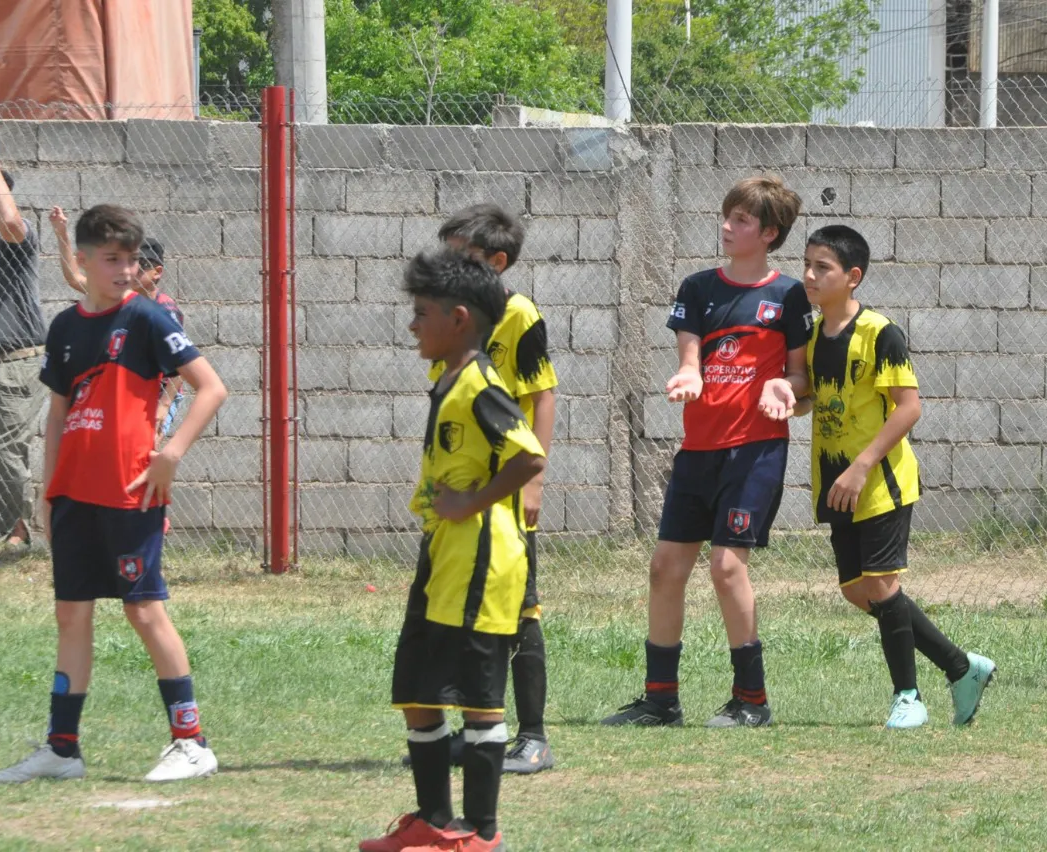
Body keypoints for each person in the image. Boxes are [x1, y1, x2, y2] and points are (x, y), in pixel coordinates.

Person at [0, 204, 228, 783]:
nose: (125, 270)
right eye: (113, 260)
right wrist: (48, 489)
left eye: (131, 260)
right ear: (85, 260)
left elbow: (211, 387)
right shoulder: (66, 327)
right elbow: (57, 412)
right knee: (71, 616)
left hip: (131, 494)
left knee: (144, 611)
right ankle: (62, 749)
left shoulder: (148, 319)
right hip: (74, 495)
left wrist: (170, 455)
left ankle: (192, 742)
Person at [759, 224, 996, 729]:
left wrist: (863, 465)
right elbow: (814, 401)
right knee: (856, 590)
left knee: (883, 584)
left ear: (853, 277)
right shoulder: (811, 335)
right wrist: (789, 400)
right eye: (807, 264)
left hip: (879, 480)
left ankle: (908, 697)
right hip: (833, 479)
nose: (809, 275)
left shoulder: (880, 333)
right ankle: (961, 666)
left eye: (822, 267)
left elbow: (908, 408)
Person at [601, 175, 812, 729]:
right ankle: (660, 700)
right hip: (698, 451)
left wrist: (784, 387)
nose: (727, 226)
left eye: (741, 220)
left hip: (755, 451)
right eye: (726, 216)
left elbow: (801, 377)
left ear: (769, 232)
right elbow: (690, 359)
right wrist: (688, 379)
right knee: (666, 566)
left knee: (725, 567)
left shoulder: (788, 296)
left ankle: (752, 700)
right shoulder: (697, 288)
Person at [360, 247, 545, 852]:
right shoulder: (448, 380)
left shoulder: (481, 385)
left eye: (422, 311)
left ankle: (481, 835)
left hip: (482, 563)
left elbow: (529, 454)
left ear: (458, 317)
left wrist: (472, 503)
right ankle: (435, 824)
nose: (413, 323)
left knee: (478, 699)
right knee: (417, 690)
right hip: (442, 556)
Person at [423, 203, 559, 775]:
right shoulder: (455, 320)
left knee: (520, 610)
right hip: (459, 491)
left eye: (462, 258)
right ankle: (476, 728)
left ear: (496, 263)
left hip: (505, 489)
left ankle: (533, 737)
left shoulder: (518, 314)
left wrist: (536, 482)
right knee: (461, 607)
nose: (447, 268)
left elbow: (542, 395)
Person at [50, 209, 184, 438]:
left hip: (160, 390)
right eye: (128, 262)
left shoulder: (165, 309)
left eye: (140, 266)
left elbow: (180, 366)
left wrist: (163, 406)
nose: (130, 271)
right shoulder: (116, 295)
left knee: (148, 445)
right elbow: (74, 277)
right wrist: (61, 233)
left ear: (156, 272)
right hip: (127, 387)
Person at [0, 138, 48, 550]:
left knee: (5, 449)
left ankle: (14, 530)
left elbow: (10, 220)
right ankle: (12, 528)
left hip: (16, 361)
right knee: (4, 449)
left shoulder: (16, 239)